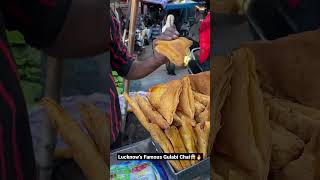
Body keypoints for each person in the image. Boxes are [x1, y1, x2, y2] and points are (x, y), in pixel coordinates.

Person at [0, 0, 178, 179]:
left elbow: (128, 67)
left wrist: (157, 59)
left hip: (108, 133)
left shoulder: (106, 19)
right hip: (57, 146)